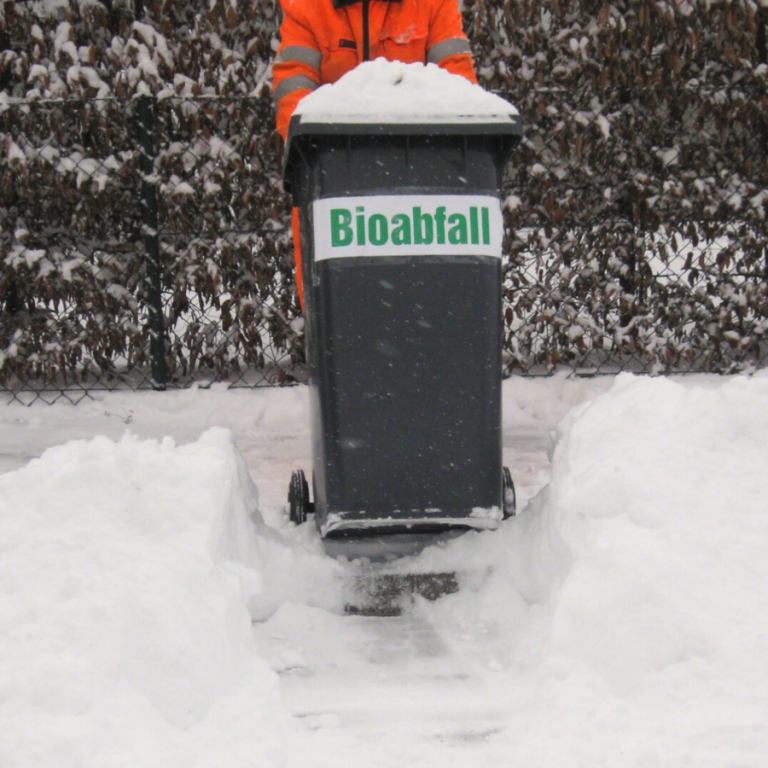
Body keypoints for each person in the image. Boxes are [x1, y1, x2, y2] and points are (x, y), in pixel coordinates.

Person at [272, 0, 478, 308]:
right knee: (341, 317)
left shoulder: (432, 4)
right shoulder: (308, 6)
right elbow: (294, 98)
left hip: (420, 186)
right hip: (335, 185)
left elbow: (461, 94)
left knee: (426, 316)